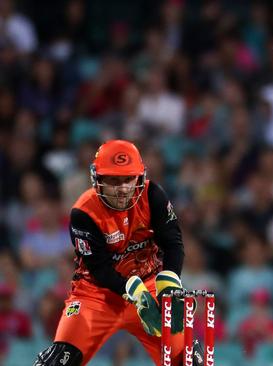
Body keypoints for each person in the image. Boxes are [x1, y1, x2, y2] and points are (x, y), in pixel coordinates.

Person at [34, 140, 202, 366]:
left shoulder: (153, 195)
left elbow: (173, 242)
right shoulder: (84, 212)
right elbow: (100, 269)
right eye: (113, 180)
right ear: (98, 180)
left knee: (189, 362)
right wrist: (134, 292)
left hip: (148, 285)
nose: (123, 188)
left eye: (128, 179)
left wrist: (169, 285)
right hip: (97, 295)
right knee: (59, 361)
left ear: (139, 178)